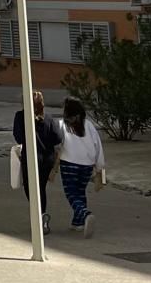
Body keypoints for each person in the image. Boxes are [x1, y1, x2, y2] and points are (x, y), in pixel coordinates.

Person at [56, 97, 106, 236]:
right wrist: (99, 165)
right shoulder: (88, 125)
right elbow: (97, 145)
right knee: (80, 192)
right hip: (87, 164)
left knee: (71, 193)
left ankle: (85, 214)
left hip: (69, 163)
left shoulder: (62, 125)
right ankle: (78, 223)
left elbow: (57, 145)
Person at [13, 91, 61, 234]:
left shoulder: (20, 116)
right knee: (40, 187)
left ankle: (40, 215)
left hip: (31, 158)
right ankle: (41, 216)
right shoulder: (49, 119)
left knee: (30, 189)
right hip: (47, 159)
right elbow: (58, 138)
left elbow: (18, 137)